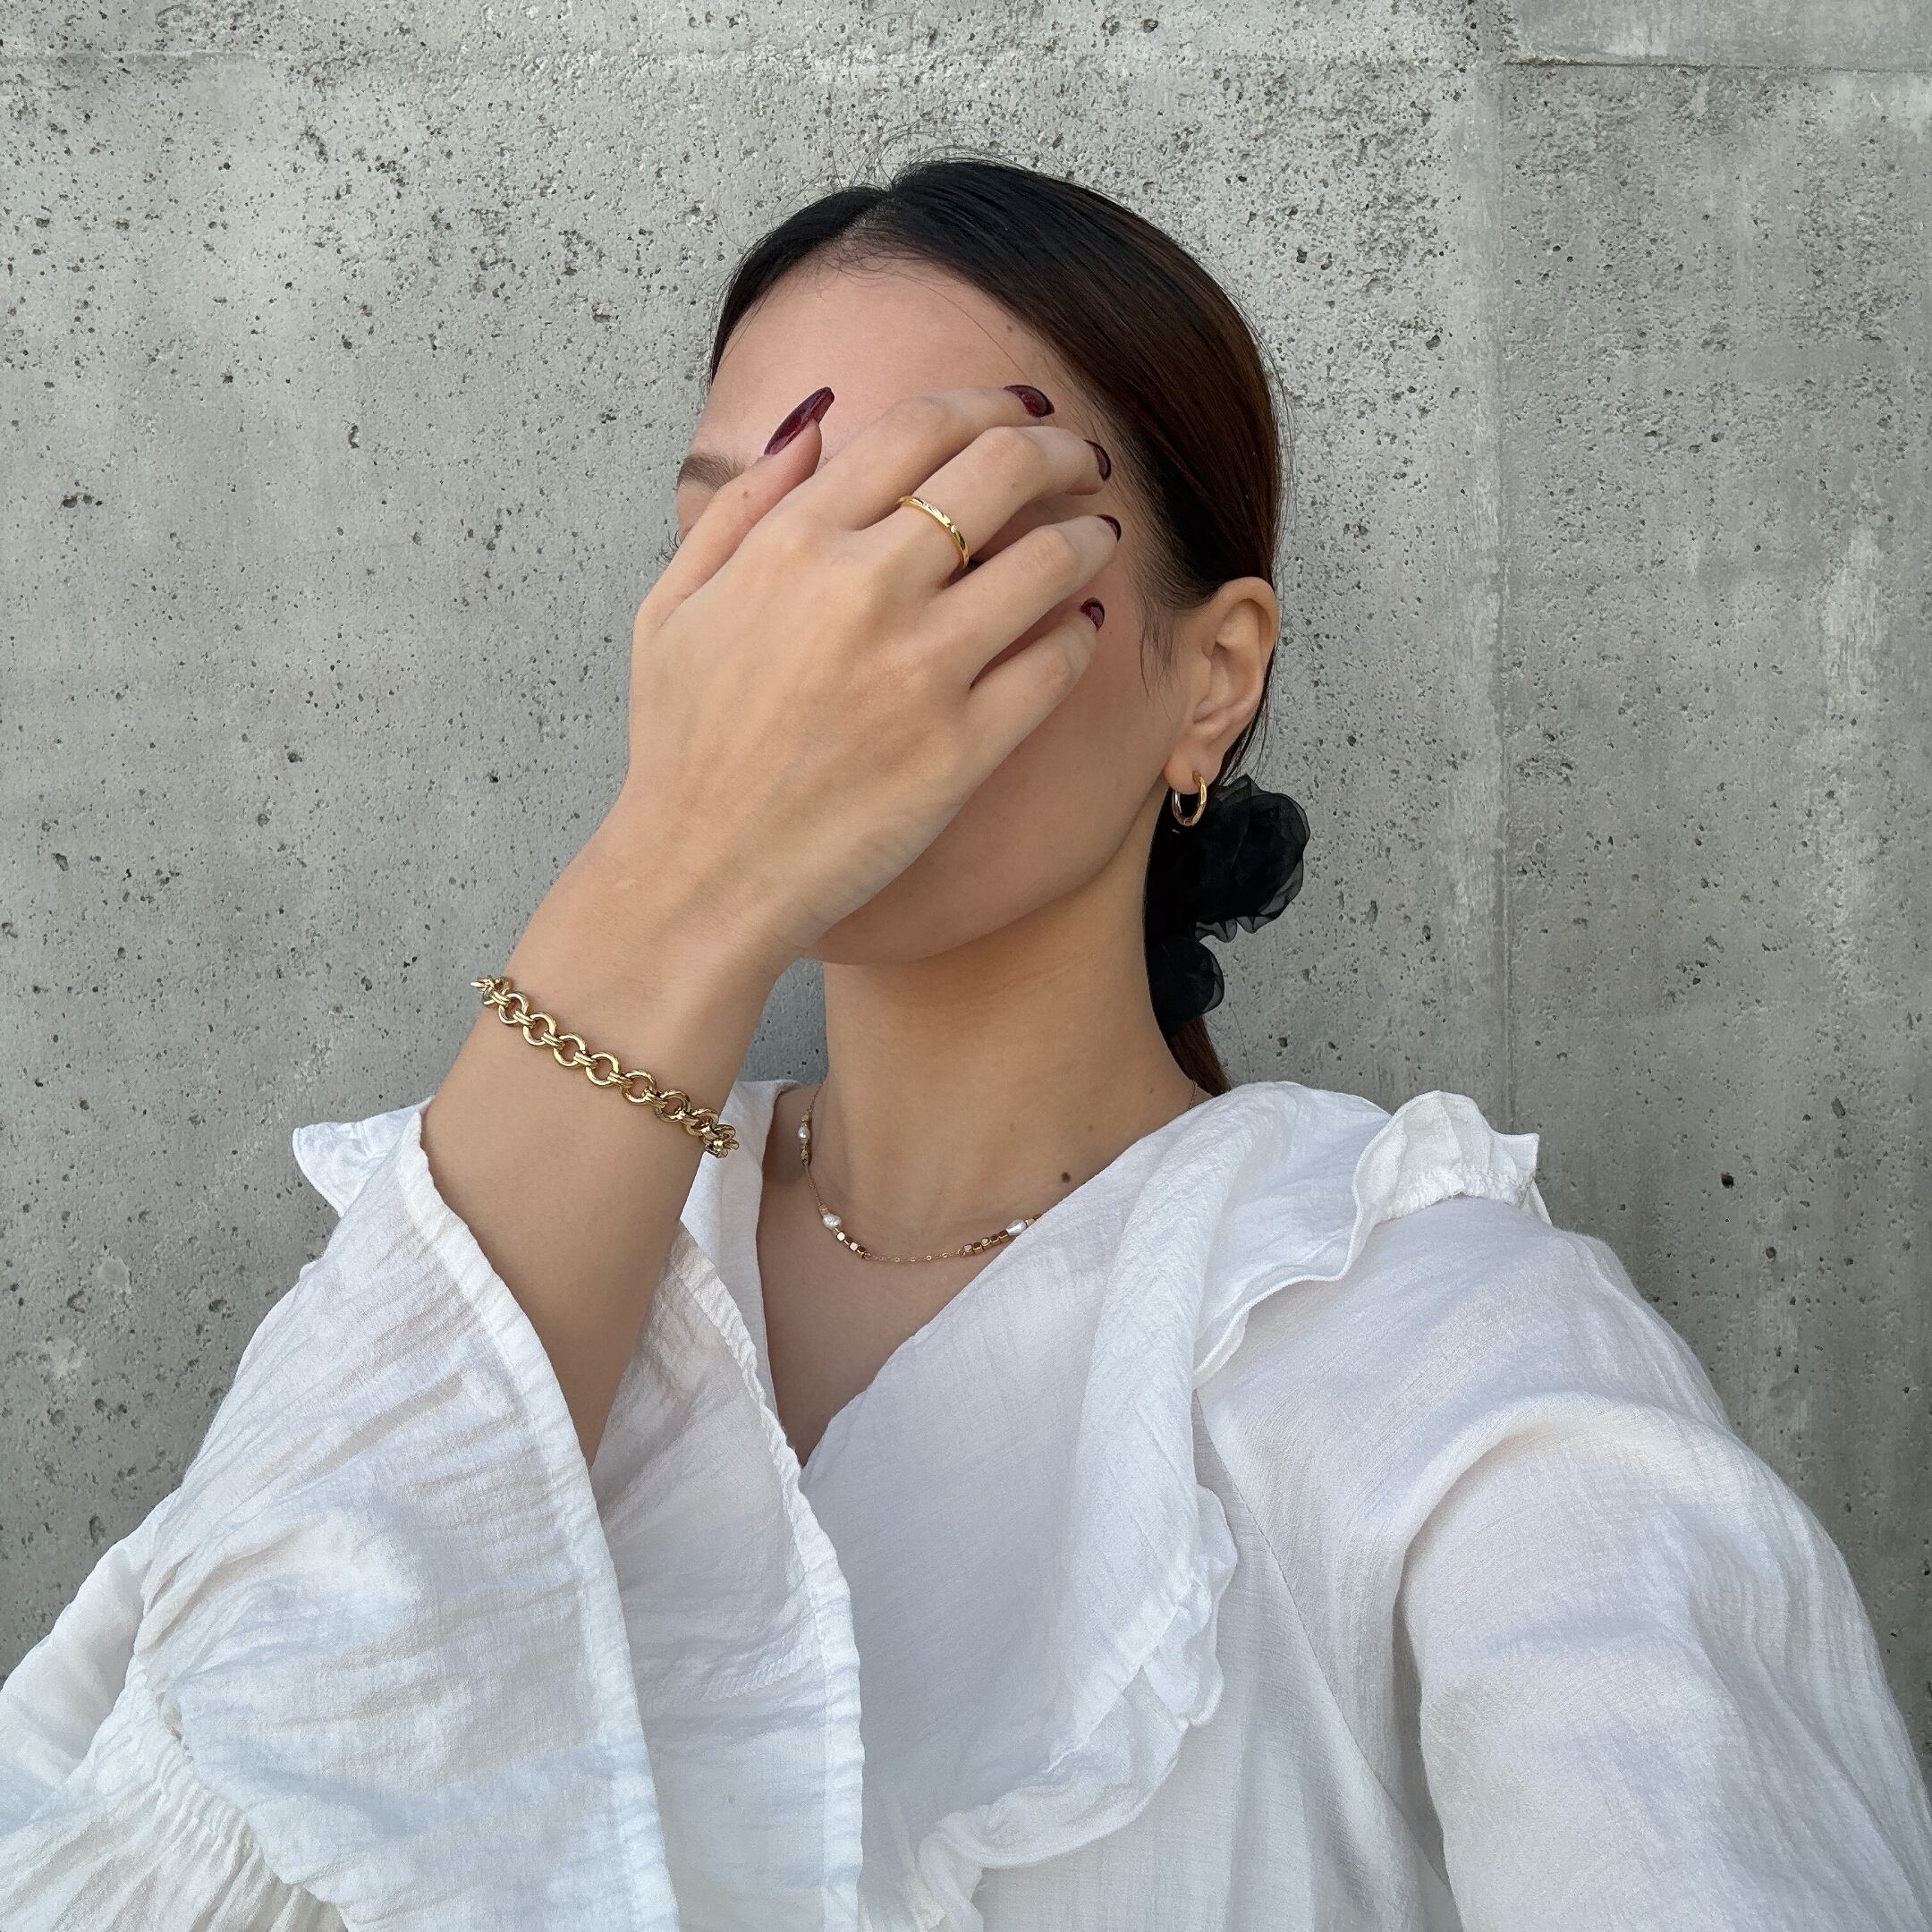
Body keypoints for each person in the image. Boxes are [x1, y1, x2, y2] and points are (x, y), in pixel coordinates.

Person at [3, 153, 1928, 1932]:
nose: (814, 642)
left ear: (1210, 679)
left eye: (947, 535)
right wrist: (675, 873)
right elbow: (156, 1865)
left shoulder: (1444, 1366)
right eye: (741, 546)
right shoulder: (537, 1237)